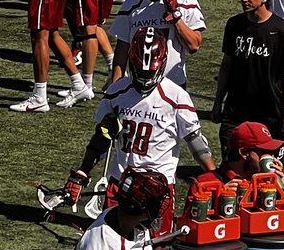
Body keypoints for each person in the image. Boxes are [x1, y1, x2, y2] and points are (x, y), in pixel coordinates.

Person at [64, 26, 215, 238]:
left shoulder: (176, 97)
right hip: (121, 183)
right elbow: (101, 138)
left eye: (149, 72)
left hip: (157, 187)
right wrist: (82, 172)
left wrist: (213, 176)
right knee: (110, 243)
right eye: (140, 71)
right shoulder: (117, 92)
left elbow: (195, 142)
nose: (145, 79)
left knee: (156, 249)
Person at [212, 0, 284, 148]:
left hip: (270, 112)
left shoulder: (282, 31)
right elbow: (227, 65)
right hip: (235, 111)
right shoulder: (234, 25)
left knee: (269, 168)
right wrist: (218, 102)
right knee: (231, 165)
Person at [110, 0, 205, 88]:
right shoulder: (131, 6)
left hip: (173, 86)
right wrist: (115, 89)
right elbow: (121, 55)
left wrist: (175, 15)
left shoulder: (186, 1)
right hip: (138, 87)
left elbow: (194, 45)